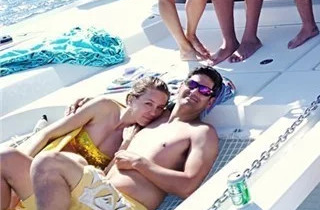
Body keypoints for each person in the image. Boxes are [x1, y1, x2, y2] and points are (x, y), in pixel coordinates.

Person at [30, 66, 222, 210]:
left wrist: (141, 164)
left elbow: (188, 186)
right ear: (181, 87)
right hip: (95, 192)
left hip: (122, 204)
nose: (195, 92)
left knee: (49, 162)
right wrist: (88, 101)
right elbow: (135, 100)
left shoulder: (201, 132)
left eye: (204, 91)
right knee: (20, 161)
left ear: (210, 102)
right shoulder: (153, 117)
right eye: (192, 84)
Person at [0, 77, 169, 210]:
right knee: (5, 157)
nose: (153, 112)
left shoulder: (137, 136)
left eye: (159, 108)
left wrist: (126, 143)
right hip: (42, 172)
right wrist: (24, 162)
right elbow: (48, 134)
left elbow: (106, 179)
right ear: (131, 99)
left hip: (71, 189)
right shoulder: (104, 107)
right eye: (148, 104)